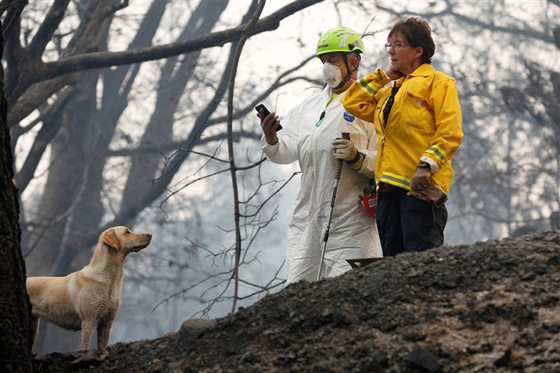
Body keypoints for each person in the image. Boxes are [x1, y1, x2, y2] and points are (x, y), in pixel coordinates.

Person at [259, 27, 382, 284]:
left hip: (351, 222)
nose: (327, 67)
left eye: (333, 61)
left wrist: (357, 157)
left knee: (352, 293)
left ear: (353, 62)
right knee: (298, 294)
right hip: (308, 220)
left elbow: (387, 159)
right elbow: (287, 149)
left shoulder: (372, 105)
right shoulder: (309, 106)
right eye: (324, 61)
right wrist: (272, 139)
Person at [341, 17, 463, 257]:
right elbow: (351, 101)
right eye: (389, 45)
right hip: (387, 192)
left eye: (398, 45)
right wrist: (383, 76)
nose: (391, 51)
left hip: (420, 191)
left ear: (418, 50)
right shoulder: (389, 91)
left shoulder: (438, 83)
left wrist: (425, 166)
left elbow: (450, 132)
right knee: (393, 268)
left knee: (420, 263)